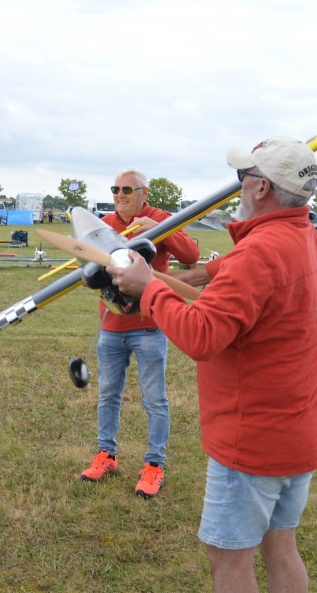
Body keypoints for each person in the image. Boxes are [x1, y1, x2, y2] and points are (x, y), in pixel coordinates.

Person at [108, 137, 317, 591]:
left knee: (229, 559)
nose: (239, 188)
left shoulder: (260, 252)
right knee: (281, 546)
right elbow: (239, 270)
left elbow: (201, 335)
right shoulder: (301, 235)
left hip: (254, 441)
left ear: (262, 189)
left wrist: (147, 288)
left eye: (242, 178)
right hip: (300, 430)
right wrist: (177, 277)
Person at [79, 168, 200, 499]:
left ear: (144, 194)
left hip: (149, 327)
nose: (120, 194)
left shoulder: (161, 217)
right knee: (108, 395)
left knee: (155, 400)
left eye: (128, 189)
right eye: (116, 188)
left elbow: (191, 256)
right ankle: (107, 455)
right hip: (110, 327)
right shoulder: (102, 224)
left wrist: (158, 230)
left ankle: (154, 465)